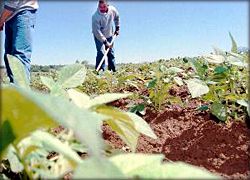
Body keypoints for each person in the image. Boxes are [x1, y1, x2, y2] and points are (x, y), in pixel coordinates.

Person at [0, 0, 38, 83]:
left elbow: (12, 2)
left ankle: (21, 92)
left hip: (23, 11)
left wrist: (1, 20)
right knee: (9, 56)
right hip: (8, 17)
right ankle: (13, 90)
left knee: (20, 54)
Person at [92, 0, 120, 72]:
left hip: (109, 34)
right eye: (100, 7)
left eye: (104, 6)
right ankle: (100, 72)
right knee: (101, 53)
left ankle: (112, 70)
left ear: (107, 5)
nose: (102, 9)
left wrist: (117, 28)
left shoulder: (112, 10)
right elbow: (97, 32)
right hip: (99, 36)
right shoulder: (95, 17)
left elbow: (117, 17)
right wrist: (105, 42)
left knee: (111, 53)